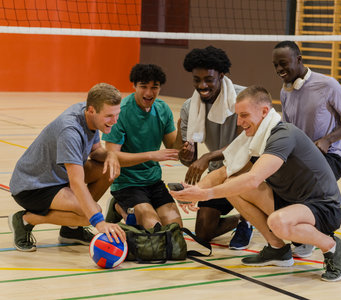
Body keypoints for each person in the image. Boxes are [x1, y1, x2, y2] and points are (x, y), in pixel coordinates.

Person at [171, 86, 341, 282]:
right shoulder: (255, 136)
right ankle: (277, 249)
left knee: (278, 221)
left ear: (264, 111)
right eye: (238, 116)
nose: (239, 122)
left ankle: (332, 246)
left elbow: (253, 178)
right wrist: (196, 190)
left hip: (322, 208)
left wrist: (207, 195)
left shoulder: (283, 135)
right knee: (233, 186)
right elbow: (224, 171)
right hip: (293, 202)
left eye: (244, 115)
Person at [272, 40, 341, 258]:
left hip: (329, 158)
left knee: (307, 197)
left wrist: (328, 140)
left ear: (298, 60)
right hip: (300, 161)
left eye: (284, 64)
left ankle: (313, 236)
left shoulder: (327, 85)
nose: (279, 70)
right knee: (274, 182)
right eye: (276, 66)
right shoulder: (285, 91)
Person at [8, 83, 126, 252]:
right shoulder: (70, 130)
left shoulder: (88, 114)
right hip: (33, 186)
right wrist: (98, 221)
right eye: (109, 116)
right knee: (90, 215)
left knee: (106, 170)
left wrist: (111, 155)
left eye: (117, 115)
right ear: (92, 110)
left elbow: (96, 152)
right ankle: (26, 219)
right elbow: (77, 182)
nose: (114, 121)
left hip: (57, 178)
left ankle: (71, 230)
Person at [177, 46, 253, 249]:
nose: (202, 85)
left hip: (247, 170)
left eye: (208, 79)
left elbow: (242, 144)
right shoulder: (188, 108)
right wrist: (187, 154)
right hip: (218, 172)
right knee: (203, 232)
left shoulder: (243, 99)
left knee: (244, 179)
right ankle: (241, 218)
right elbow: (187, 160)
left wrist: (208, 156)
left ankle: (250, 219)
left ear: (221, 75)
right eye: (196, 80)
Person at [102, 64, 182, 230]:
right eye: (143, 87)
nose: (148, 93)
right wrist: (151, 155)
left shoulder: (163, 109)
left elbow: (175, 150)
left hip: (154, 182)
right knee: (154, 229)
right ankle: (118, 206)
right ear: (134, 86)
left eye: (154, 87)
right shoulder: (121, 112)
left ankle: (138, 209)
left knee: (175, 231)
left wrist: (183, 130)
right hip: (127, 184)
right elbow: (113, 158)